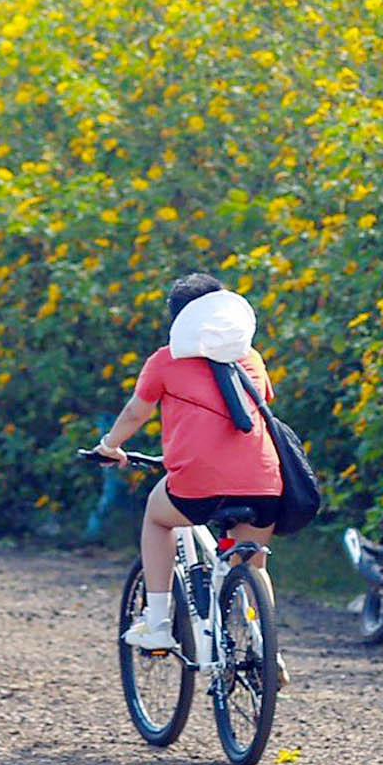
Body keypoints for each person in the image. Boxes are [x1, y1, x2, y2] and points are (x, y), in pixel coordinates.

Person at [92, 273, 284, 677]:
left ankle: (158, 623)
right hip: (266, 481)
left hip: (200, 482)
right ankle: (266, 648)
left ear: (177, 319)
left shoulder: (166, 359)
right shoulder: (250, 357)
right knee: (254, 562)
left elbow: (135, 413)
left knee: (157, 516)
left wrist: (110, 446)